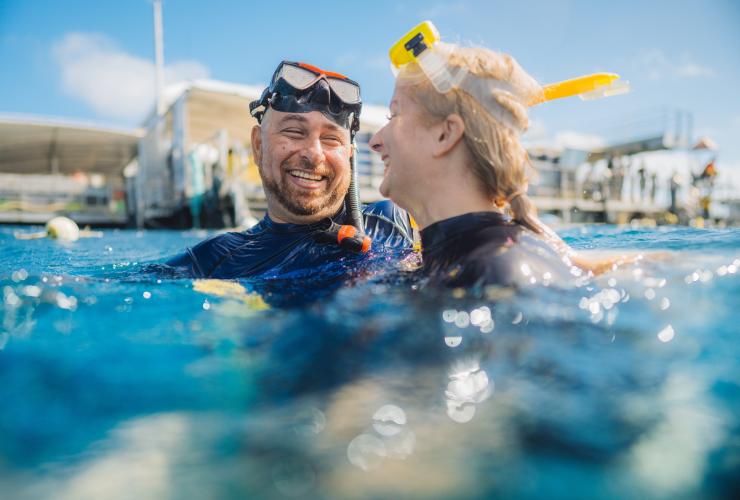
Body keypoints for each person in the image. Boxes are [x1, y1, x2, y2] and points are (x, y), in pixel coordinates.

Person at [369, 22, 637, 288]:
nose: (375, 141)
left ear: (445, 134)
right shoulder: (492, 260)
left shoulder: (492, 276)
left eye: (395, 115)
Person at [166, 61, 413, 280]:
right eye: (294, 132)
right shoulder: (212, 262)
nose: (314, 154)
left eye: (331, 139)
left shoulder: (393, 223)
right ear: (258, 145)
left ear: (349, 153)